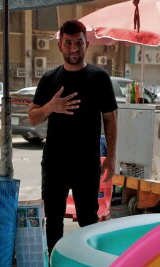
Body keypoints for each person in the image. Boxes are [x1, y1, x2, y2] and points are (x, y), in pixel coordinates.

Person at [29, 19, 117, 253]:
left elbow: (110, 118)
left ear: (86, 43)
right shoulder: (50, 79)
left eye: (78, 43)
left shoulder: (100, 78)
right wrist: (51, 107)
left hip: (86, 165)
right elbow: (33, 117)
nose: (74, 48)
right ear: (60, 45)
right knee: (54, 223)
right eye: (68, 43)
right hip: (54, 163)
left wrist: (111, 156)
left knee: (88, 221)